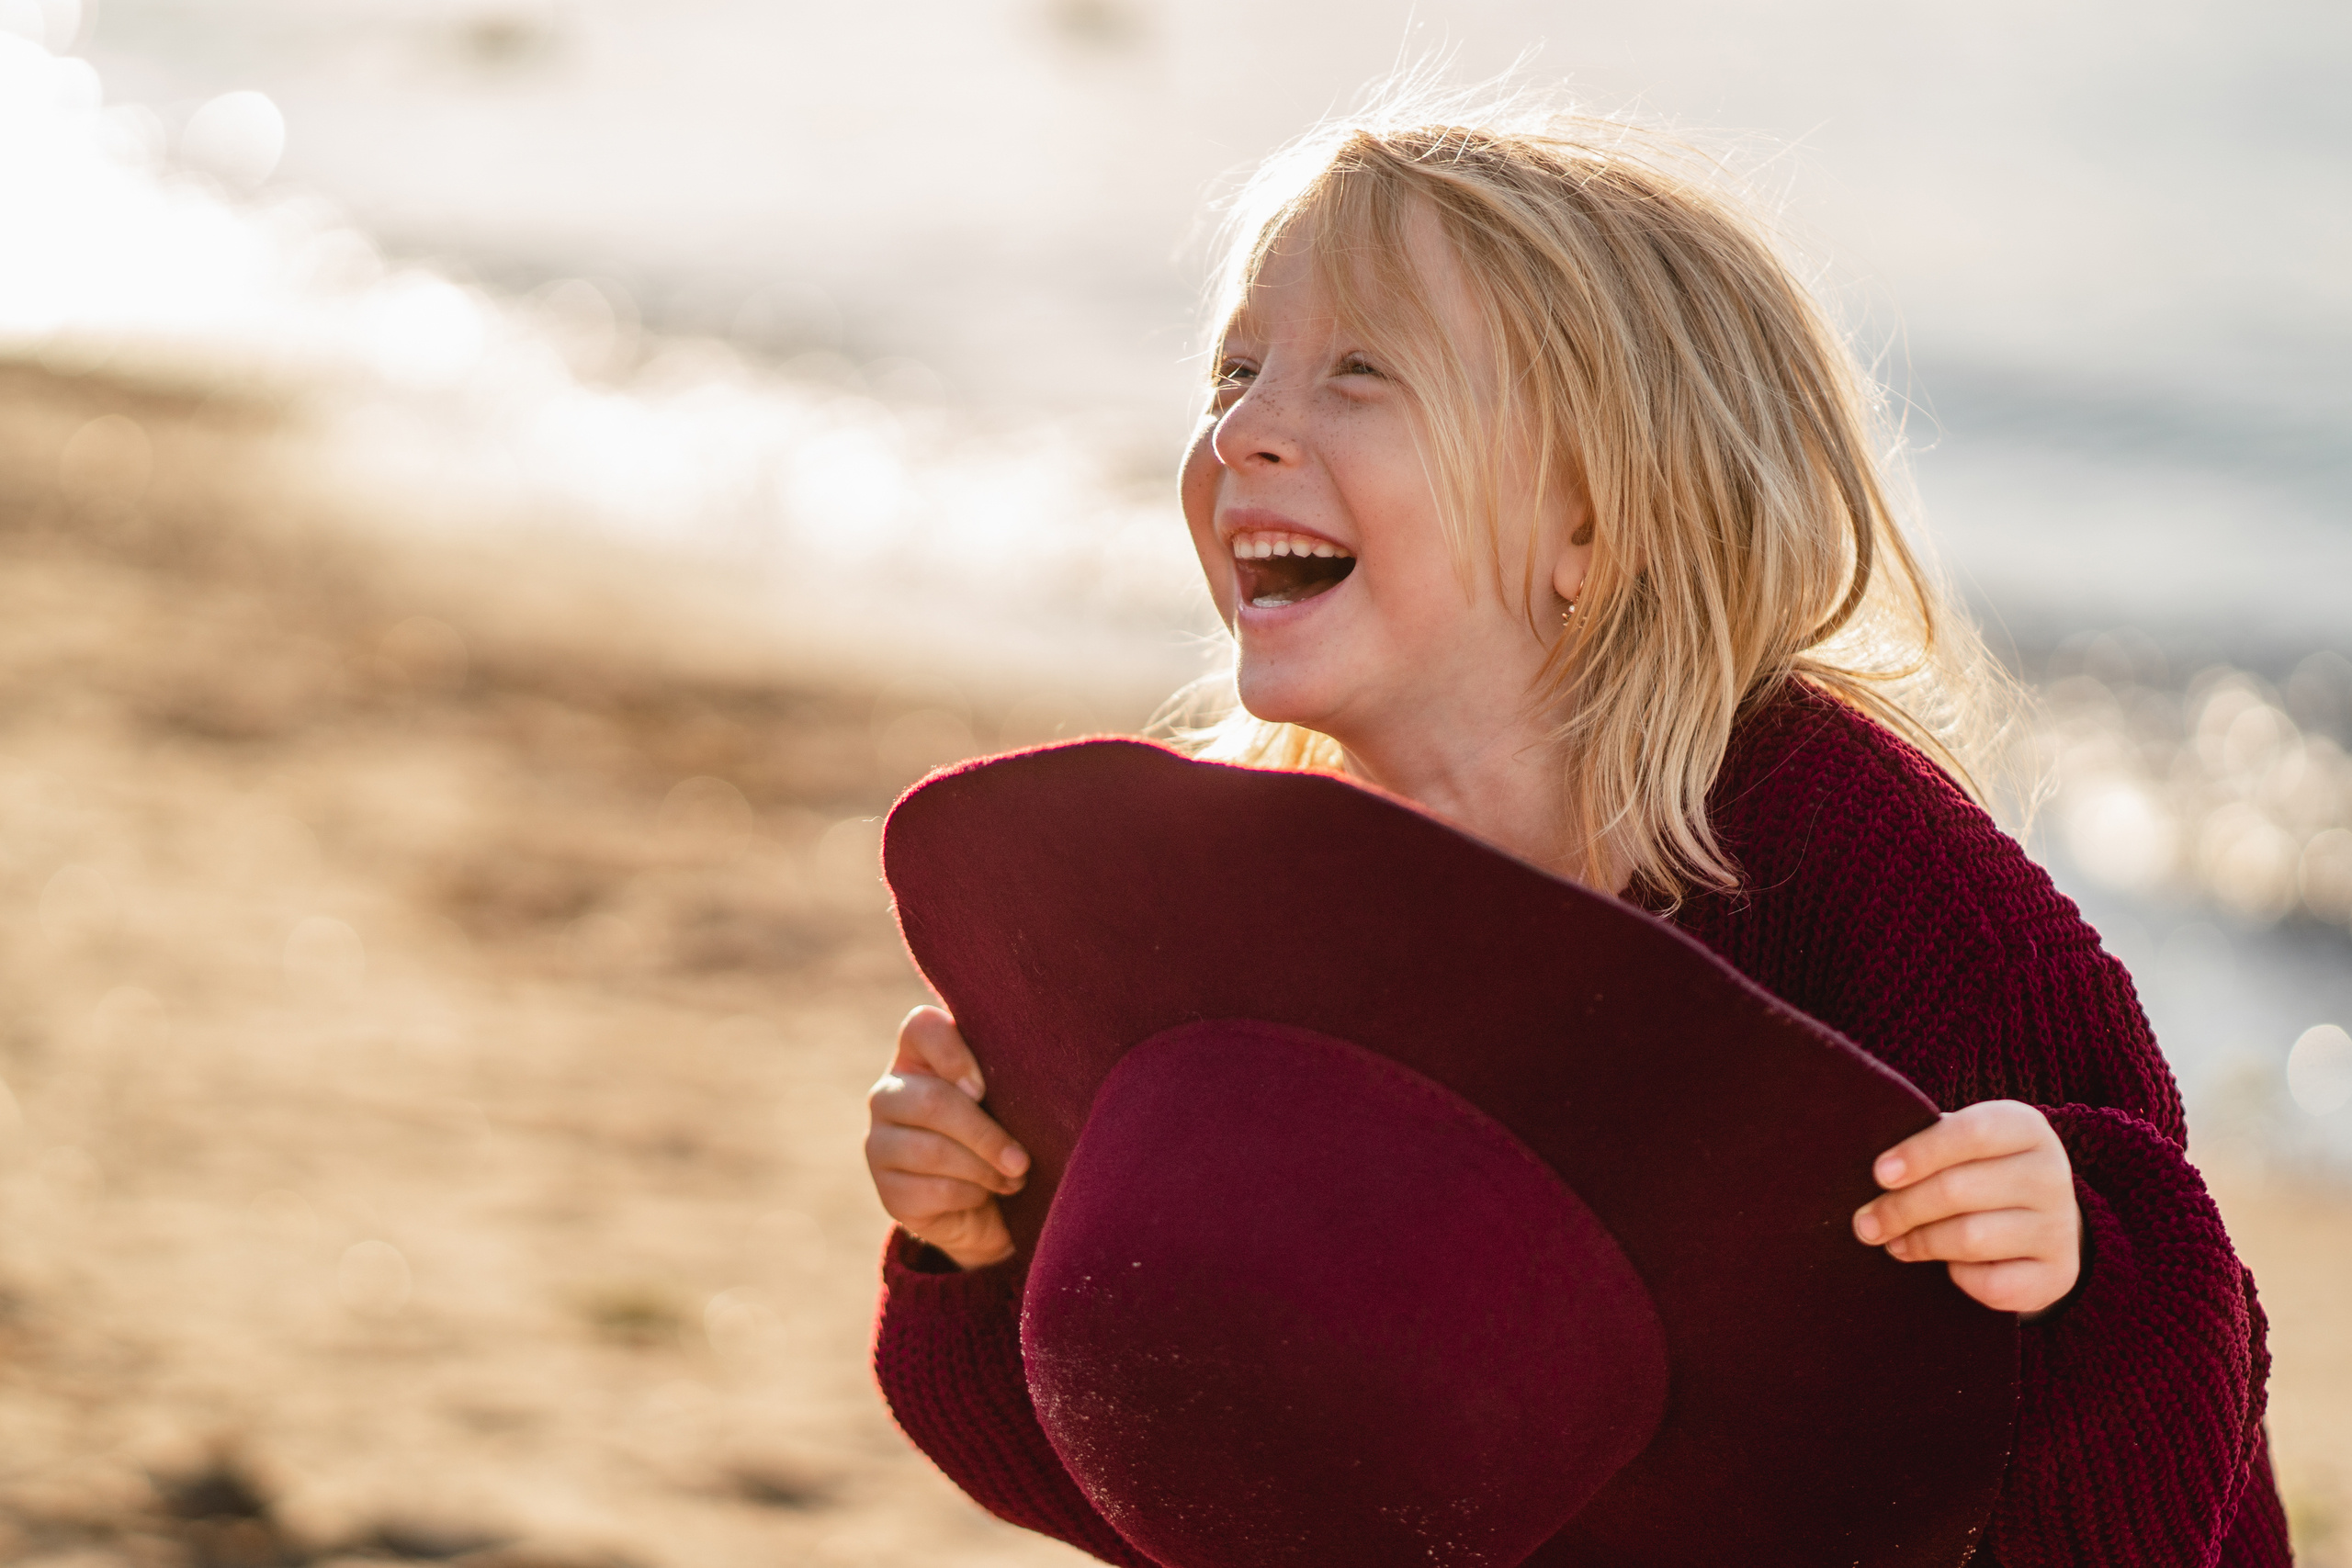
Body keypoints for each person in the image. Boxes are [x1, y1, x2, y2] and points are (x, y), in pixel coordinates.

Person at [862, 98, 2289, 1565]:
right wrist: (982, 1238)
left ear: (1596, 523)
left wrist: (2082, 1262)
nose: (1242, 429)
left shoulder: (1865, 870)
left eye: (1360, 370)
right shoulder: (1266, 914)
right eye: (1237, 369)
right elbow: (1199, 1456)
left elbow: (2187, 1360)